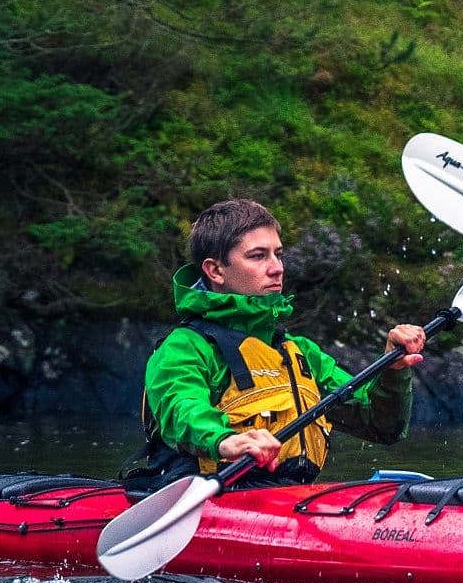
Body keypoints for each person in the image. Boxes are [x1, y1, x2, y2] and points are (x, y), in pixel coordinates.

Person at [132, 198, 427, 490]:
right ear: (215, 271)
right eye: (258, 256)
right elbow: (181, 408)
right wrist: (226, 441)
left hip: (287, 499)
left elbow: (381, 425)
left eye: (278, 254)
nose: (277, 268)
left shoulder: (299, 352)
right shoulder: (186, 346)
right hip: (210, 497)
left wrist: (393, 368)